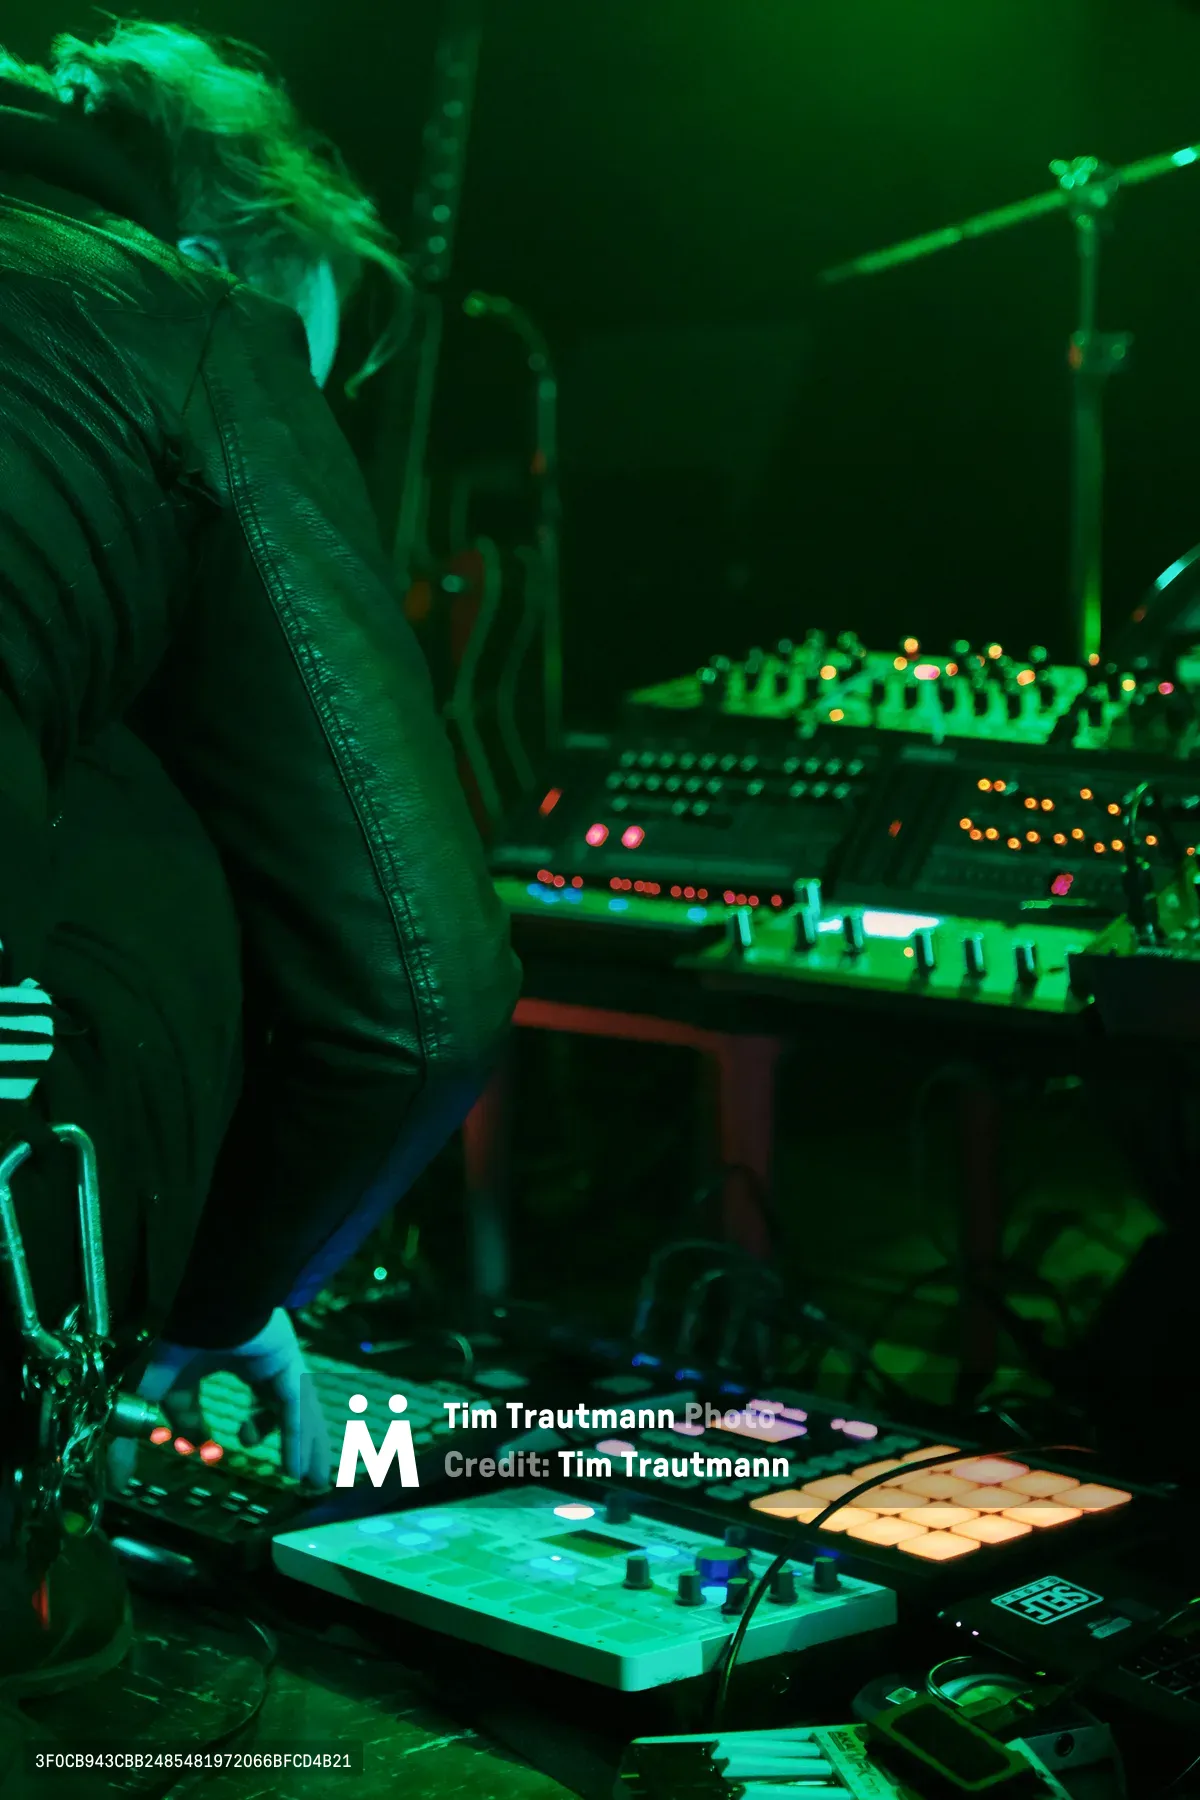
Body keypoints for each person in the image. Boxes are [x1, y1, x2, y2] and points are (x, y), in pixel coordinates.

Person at [0, 18, 521, 1696]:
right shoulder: (185, 319)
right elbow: (414, 998)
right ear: (239, 248)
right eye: (329, 362)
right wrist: (225, 1295)